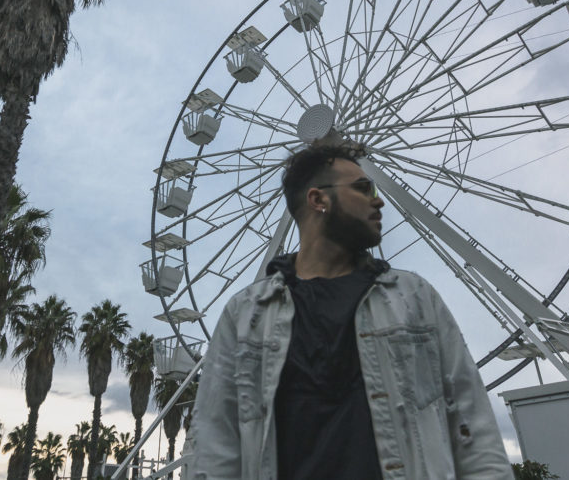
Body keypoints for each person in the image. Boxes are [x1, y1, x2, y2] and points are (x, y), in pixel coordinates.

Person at [185, 144, 514, 480]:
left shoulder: (414, 297)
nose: (378, 200)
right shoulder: (245, 314)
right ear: (318, 200)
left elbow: (471, 424)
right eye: (363, 188)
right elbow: (214, 444)